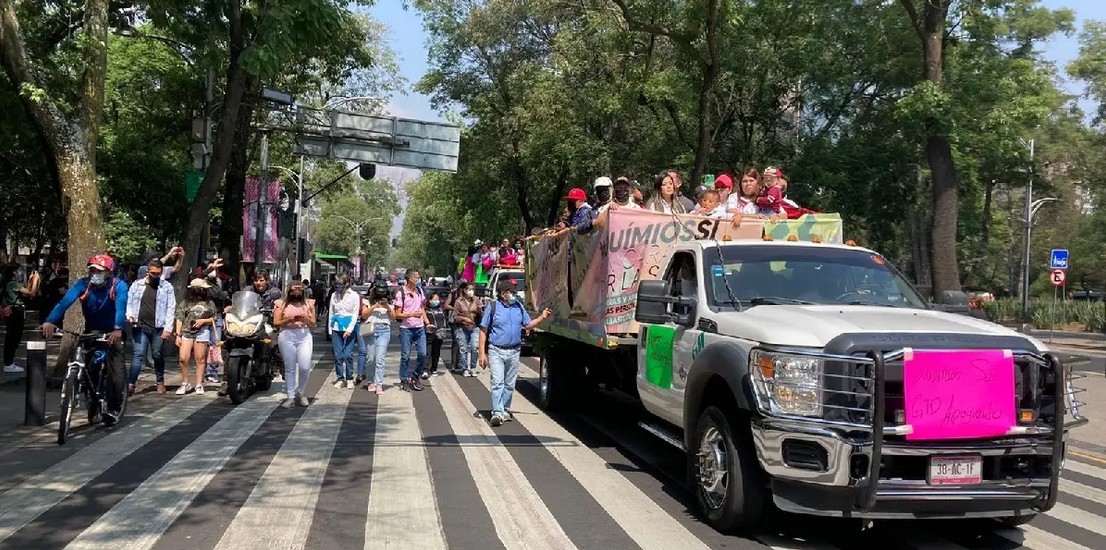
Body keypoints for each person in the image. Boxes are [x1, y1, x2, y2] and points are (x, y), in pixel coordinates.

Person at [43, 255, 129, 425]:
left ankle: (113, 409)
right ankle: (91, 401)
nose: (94, 273)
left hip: (113, 332)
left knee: (116, 375)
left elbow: (121, 307)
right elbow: (65, 302)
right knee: (90, 368)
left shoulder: (118, 286)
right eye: (92, 270)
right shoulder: (83, 284)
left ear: (109, 272)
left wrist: (118, 328)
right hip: (91, 330)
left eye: (99, 271)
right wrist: (50, 321)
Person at [478, 280, 551, 426]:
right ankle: (497, 412)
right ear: (503, 294)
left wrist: (542, 317)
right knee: (498, 382)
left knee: (510, 383)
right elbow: (483, 330)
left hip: (514, 350)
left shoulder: (518, 307)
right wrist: (481, 353)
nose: (513, 295)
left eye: (514, 292)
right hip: (496, 350)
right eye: (510, 293)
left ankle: (505, 409)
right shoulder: (492, 307)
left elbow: (528, 324)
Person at [124, 259, 176, 394]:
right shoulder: (137, 285)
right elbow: (129, 302)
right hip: (140, 325)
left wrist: (168, 329)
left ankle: (160, 381)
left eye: (158, 273)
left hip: (158, 327)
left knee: (157, 354)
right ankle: (131, 384)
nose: (155, 276)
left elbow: (171, 308)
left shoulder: (166, 287)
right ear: (148, 271)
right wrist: (129, 315)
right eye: (153, 273)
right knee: (138, 354)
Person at [274, 281, 316, 408]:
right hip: (287, 335)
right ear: (289, 291)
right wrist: (289, 320)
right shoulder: (280, 304)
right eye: (294, 290)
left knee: (304, 366)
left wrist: (305, 319)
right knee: (290, 367)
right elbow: (276, 323)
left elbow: (313, 323)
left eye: (300, 289)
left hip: (304, 335)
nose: (297, 292)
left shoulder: (309, 304)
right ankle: (290, 396)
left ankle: (301, 393)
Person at [174, 278, 216, 395]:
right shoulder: (185, 303)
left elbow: (214, 318)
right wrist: (178, 334)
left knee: (200, 358)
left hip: (202, 331)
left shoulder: (209, 303)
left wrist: (204, 321)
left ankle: (198, 384)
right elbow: (179, 318)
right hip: (186, 332)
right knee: (183, 358)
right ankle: (185, 383)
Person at [393, 269, 428, 391]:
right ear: (409, 279)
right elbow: (397, 314)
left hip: (419, 328)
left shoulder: (419, 291)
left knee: (423, 354)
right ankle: (403, 379)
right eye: (416, 277)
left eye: (419, 277)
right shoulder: (401, 293)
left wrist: (427, 323)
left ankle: (415, 376)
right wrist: (411, 314)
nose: (418, 280)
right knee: (405, 356)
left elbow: (422, 308)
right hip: (406, 329)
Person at [2, 264, 39, 373]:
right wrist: (36, 280)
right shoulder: (12, 284)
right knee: (13, 338)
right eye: (17, 271)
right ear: (13, 273)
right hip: (15, 312)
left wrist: (31, 280)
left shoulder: (11, 284)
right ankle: (8, 364)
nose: (19, 273)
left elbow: (26, 290)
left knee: (14, 337)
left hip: (16, 311)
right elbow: (32, 293)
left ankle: (9, 362)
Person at [328, 274, 360, 388]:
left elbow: (355, 314)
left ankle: (350, 377)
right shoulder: (334, 296)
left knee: (347, 354)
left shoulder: (354, 296)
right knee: (338, 355)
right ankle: (340, 377)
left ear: (346, 284)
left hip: (349, 328)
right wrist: (330, 330)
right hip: (336, 327)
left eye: (340, 284)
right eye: (336, 284)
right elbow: (331, 313)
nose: (338, 286)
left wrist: (349, 329)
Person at [362, 282, 394, 394]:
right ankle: (370, 381)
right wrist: (375, 306)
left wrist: (388, 307)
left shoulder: (389, 302)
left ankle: (378, 383)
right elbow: (364, 315)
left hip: (384, 330)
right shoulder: (367, 301)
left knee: (380, 358)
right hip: (371, 329)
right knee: (371, 358)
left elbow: (394, 318)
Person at [451, 281, 483, 377]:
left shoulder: (476, 300)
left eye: (472, 289)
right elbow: (455, 316)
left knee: (474, 347)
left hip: (474, 327)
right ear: (464, 290)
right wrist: (463, 319)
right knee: (463, 348)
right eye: (469, 289)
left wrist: (479, 311)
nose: (471, 291)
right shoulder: (458, 301)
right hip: (462, 327)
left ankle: (473, 367)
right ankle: (464, 368)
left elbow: (481, 313)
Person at [423, 293, 448, 378]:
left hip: (439, 334)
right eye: (434, 299)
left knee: (436, 352)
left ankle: (434, 369)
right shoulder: (426, 309)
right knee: (428, 352)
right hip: (429, 333)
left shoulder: (441, 309)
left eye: (438, 299)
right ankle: (426, 369)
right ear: (430, 300)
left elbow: (445, 320)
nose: (436, 301)